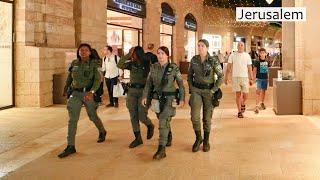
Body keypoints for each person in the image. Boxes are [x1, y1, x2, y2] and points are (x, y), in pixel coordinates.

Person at [58, 43, 107, 158]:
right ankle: (71, 146)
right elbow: (70, 77)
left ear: (90, 52)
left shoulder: (94, 64)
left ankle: (102, 131)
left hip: (88, 94)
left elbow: (97, 80)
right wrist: (65, 89)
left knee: (92, 116)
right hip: (75, 93)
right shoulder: (75, 63)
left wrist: (92, 92)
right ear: (78, 52)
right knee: (72, 120)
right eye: (81, 50)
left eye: (85, 50)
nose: (83, 52)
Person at [142, 46, 185, 160]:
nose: (160, 56)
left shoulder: (174, 68)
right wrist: (145, 96)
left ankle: (161, 149)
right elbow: (148, 84)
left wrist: (181, 99)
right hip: (156, 99)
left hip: (169, 100)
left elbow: (181, 85)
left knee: (162, 122)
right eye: (158, 53)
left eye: (162, 54)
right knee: (162, 119)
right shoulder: (153, 68)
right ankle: (168, 134)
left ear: (167, 56)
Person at [188, 39, 224, 152]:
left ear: (207, 47)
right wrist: (192, 88)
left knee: (207, 118)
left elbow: (221, 76)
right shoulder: (194, 60)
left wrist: (214, 90)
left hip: (209, 92)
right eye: (198, 46)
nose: (200, 48)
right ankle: (198, 138)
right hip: (196, 91)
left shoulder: (213, 60)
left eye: (202, 46)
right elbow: (189, 75)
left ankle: (206, 141)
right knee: (194, 116)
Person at [117, 46, 155, 148]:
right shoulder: (131, 64)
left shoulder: (147, 64)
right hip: (132, 92)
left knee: (142, 115)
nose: (132, 54)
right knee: (133, 115)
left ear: (138, 53)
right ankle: (138, 138)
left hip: (143, 92)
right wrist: (128, 54)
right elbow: (119, 64)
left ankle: (149, 125)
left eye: (133, 52)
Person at [225, 42, 254, 118]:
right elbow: (229, 67)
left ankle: (243, 103)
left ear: (244, 47)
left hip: (245, 78)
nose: (240, 46)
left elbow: (249, 67)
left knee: (246, 95)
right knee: (238, 95)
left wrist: (251, 78)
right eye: (239, 45)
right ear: (237, 46)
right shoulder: (232, 55)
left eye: (242, 45)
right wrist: (226, 77)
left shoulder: (247, 55)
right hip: (236, 77)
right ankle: (239, 111)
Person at [253, 48, 269, 114]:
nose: (262, 54)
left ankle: (262, 103)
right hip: (258, 79)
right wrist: (253, 78)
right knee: (258, 92)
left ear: (265, 54)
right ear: (259, 54)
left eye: (263, 53)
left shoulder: (267, 61)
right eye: (261, 53)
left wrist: (268, 77)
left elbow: (267, 70)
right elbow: (254, 70)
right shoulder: (257, 62)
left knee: (263, 91)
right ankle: (256, 106)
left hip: (265, 78)